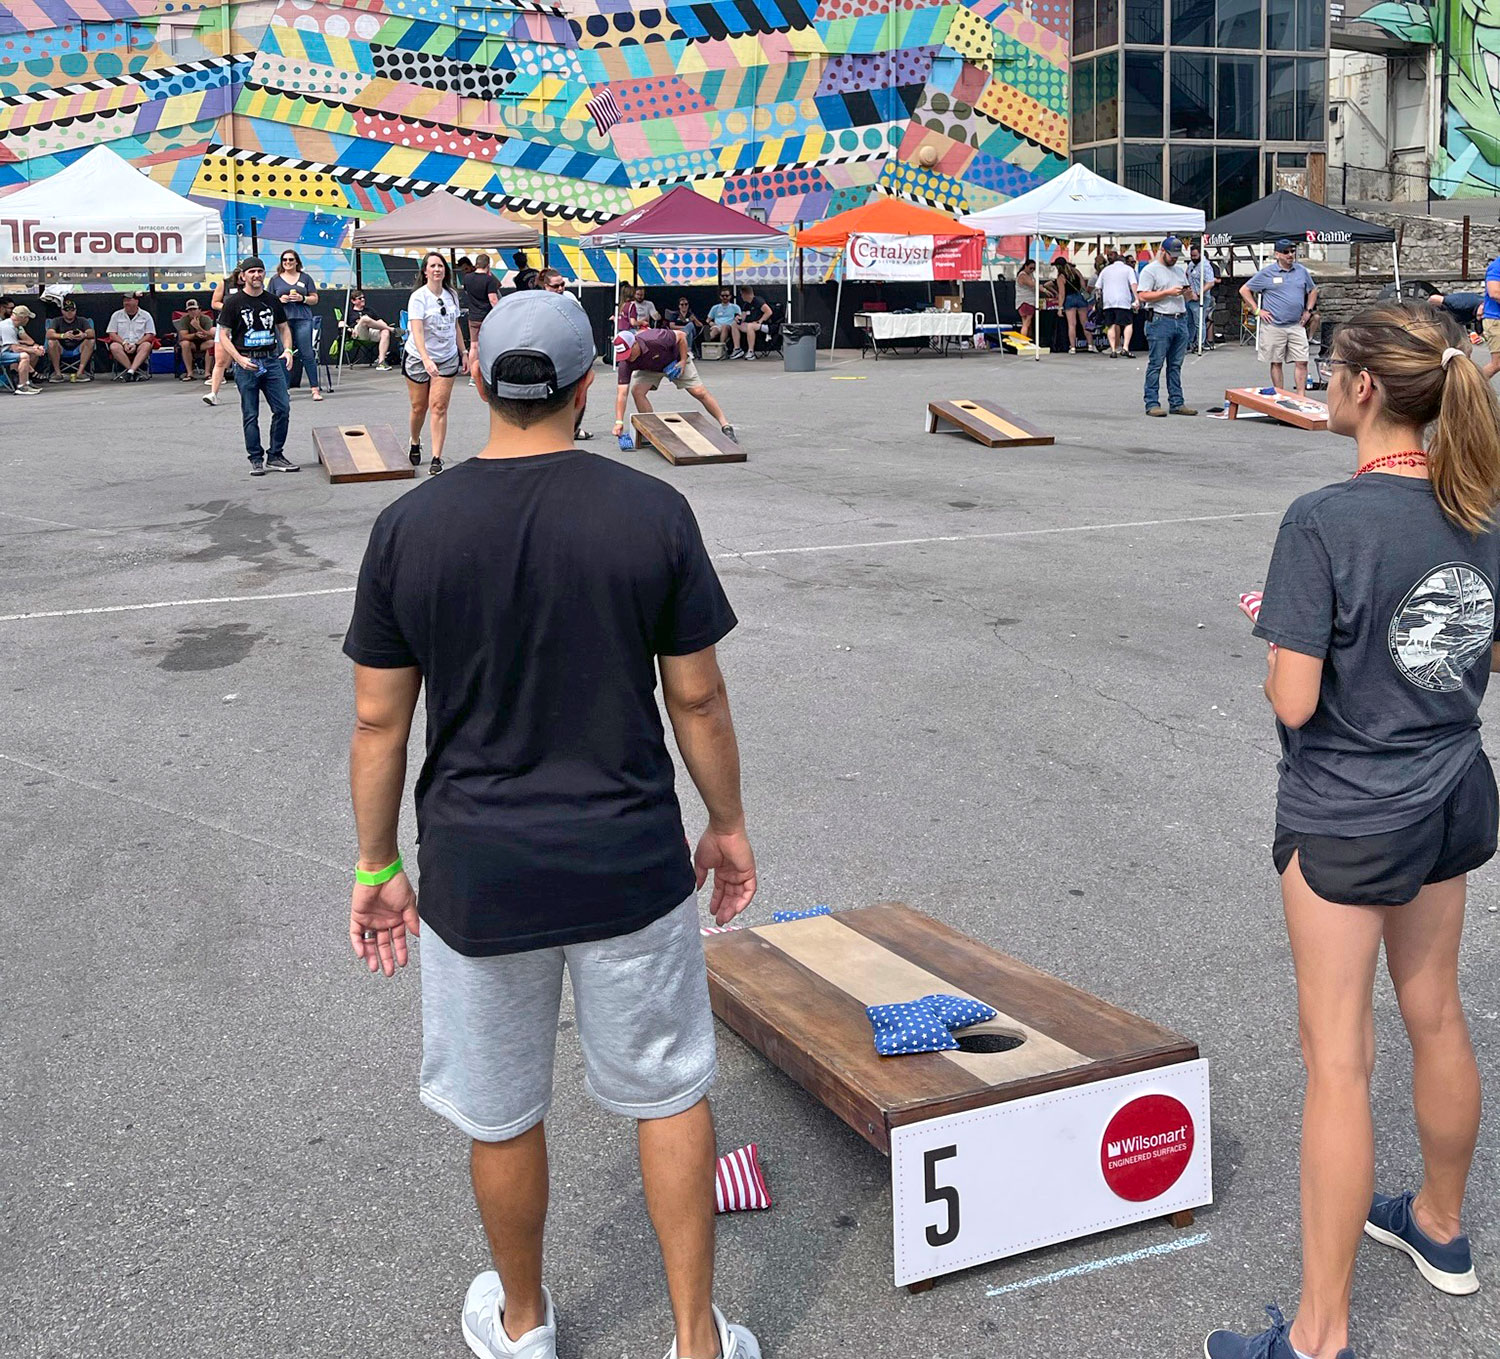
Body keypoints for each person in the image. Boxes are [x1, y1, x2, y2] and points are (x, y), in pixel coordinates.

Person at [343, 287, 759, 1359]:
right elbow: (698, 698)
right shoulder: (650, 513)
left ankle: (524, 1325)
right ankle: (692, 1341)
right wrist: (727, 823)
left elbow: (378, 722)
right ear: (589, 385)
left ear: (475, 374)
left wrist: (375, 862)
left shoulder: (409, 527)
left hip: (480, 872)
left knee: (501, 1110)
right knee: (668, 1093)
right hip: (627, 857)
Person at [1207, 302, 1500, 1359]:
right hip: (1452, 793)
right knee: (1437, 1014)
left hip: (1348, 813)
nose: (1325, 385)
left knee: (1338, 1060)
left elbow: (1294, 701)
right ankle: (1441, 1226)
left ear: (1364, 389)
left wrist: (1276, 628)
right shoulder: (1479, 510)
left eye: (1332, 370)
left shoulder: (1321, 521)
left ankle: (1318, 1335)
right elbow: (1480, 649)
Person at [215, 256, 298, 476]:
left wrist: (287, 350)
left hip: (271, 361)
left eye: (260, 271)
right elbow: (223, 335)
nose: (256, 275)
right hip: (246, 361)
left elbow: (283, 327)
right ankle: (255, 457)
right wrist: (238, 359)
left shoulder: (272, 300)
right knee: (250, 413)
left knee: (282, 409)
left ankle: (275, 454)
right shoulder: (234, 302)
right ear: (243, 276)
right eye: (251, 272)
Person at [613, 327, 735, 448]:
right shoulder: (625, 362)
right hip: (650, 368)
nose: (627, 358)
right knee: (637, 392)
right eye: (623, 355)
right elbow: (622, 394)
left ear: (635, 344)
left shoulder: (656, 338)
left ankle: (726, 425)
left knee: (699, 392)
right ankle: (651, 429)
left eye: (628, 353)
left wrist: (682, 361)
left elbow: (682, 336)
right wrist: (619, 422)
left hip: (675, 360)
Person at [404, 250, 468, 475]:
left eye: (440, 266)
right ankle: (414, 440)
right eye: (432, 266)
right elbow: (417, 330)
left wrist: (464, 352)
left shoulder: (451, 294)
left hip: (447, 357)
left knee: (439, 407)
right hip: (419, 357)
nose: (437, 269)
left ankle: (436, 457)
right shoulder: (419, 297)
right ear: (425, 271)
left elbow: (456, 325)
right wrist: (425, 358)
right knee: (418, 407)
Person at [1240, 237, 1319, 396]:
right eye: (1286, 252)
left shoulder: (1301, 271)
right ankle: (1280, 395)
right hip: (1274, 325)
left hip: (1296, 324)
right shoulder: (1267, 273)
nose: (1290, 255)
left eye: (1292, 251)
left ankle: (1301, 397)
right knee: (1276, 362)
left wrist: (1308, 310)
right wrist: (1257, 310)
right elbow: (1244, 290)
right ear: (1277, 254)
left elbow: (1313, 290)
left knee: (1302, 361)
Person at [1137, 236, 1196, 417]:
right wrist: (1167, 293)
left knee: (1176, 365)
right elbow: (1142, 296)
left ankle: (1177, 402)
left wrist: (1188, 293)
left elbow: (1189, 296)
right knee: (1156, 363)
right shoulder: (1150, 271)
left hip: (1180, 318)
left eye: (1177, 256)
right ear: (1163, 251)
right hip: (1160, 319)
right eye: (1172, 255)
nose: (1175, 259)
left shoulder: (1179, 270)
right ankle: (1152, 402)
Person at [539, 269, 593, 440]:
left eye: (562, 284)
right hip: (551, 354)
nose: (560, 288)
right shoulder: (541, 302)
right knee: (552, 395)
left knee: (578, 392)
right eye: (556, 286)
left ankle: (573, 429)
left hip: (573, 353)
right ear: (545, 286)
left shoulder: (569, 297)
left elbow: (581, 321)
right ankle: (549, 430)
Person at [269, 249, 323, 401]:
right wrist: (280, 300)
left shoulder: (306, 278)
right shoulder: (275, 280)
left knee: (307, 353)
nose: (287, 262)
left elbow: (315, 298)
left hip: (302, 318)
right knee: (284, 353)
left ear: (297, 262)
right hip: (282, 320)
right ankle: (285, 389)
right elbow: (269, 300)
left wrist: (302, 298)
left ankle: (314, 388)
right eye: (284, 260)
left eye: (291, 260)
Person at [203, 267, 243, 406]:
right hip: (226, 322)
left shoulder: (252, 286)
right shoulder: (225, 284)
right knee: (220, 360)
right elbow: (214, 303)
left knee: (243, 357)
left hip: (244, 324)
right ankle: (213, 393)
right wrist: (228, 306)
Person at [105, 293, 156, 381]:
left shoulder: (146, 315)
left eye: (129, 300)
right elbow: (112, 333)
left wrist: (136, 344)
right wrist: (124, 343)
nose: (126, 303)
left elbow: (150, 334)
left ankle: (130, 372)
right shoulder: (116, 315)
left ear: (136, 301)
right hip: (122, 343)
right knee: (114, 346)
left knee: (146, 345)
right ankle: (132, 372)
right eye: (124, 301)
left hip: (139, 343)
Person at [1097, 250, 1138, 358]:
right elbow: (1133, 284)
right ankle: (1125, 347)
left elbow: (1098, 287)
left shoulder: (1105, 270)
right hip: (1123, 300)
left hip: (1108, 302)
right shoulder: (1128, 269)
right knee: (1128, 324)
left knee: (1111, 325)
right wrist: (1137, 299)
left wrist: (1099, 301)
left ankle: (1113, 350)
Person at [46, 298, 94, 381]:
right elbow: (49, 334)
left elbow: (92, 333)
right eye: (67, 310)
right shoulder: (56, 321)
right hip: (61, 348)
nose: (69, 312)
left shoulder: (82, 320)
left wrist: (83, 335)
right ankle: (57, 374)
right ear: (62, 311)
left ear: (75, 310)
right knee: (51, 342)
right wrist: (63, 336)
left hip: (78, 348)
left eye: (72, 310)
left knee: (91, 340)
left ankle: (80, 372)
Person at [462, 253, 501, 352]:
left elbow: (466, 292)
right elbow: (493, 300)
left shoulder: (467, 278)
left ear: (476, 264)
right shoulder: (490, 279)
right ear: (488, 265)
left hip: (473, 317)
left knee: (474, 346)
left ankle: (474, 367)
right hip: (487, 317)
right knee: (490, 344)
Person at [347, 292, 394, 370]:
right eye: (360, 298)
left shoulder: (370, 310)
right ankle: (392, 330)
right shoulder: (349, 312)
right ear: (353, 301)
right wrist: (348, 329)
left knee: (385, 331)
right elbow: (341, 324)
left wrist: (385, 327)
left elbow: (380, 321)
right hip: (358, 333)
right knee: (365, 319)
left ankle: (381, 362)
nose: (363, 299)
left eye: (363, 297)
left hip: (372, 332)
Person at [0, 302, 41, 394]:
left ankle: (25, 383)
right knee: (24, 356)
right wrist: (34, 350)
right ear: (23, 318)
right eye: (27, 317)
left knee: (24, 353)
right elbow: (15, 349)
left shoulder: (11, 325)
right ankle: (22, 386)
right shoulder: (8, 327)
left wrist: (33, 349)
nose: (28, 320)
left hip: (2, 352)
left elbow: (13, 346)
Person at [174, 299, 216, 382]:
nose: (192, 312)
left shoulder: (206, 319)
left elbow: (210, 336)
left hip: (204, 342)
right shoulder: (184, 320)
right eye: (190, 310)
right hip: (191, 343)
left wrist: (198, 327)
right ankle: (190, 373)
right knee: (185, 344)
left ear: (200, 310)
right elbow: (183, 336)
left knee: (212, 343)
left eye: (194, 309)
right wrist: (195, 335)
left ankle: (207, 373)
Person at [1053, 256, 1088, 353]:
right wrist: (1086, 298)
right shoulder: (1076, 271)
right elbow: (1083, 286)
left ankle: (1073, 347)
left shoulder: (1061, 277)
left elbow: (1062, 294)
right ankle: (1091, 345)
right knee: (1085, 323)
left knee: (1072, 324)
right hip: (1080, 297)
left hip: (1069, 299)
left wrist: (1060, 308)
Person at [1186, 243, 1217, 349]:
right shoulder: (1191, 264)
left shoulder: (1205, 265)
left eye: (1195, 256)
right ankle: (1189, 343)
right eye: (1191, 256)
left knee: (1199, 322)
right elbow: (1187, 275)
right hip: (1190, 296)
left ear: (1200, 254)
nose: (1193, 258)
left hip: (1201, 297)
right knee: (1189, 322)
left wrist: (1199, 293)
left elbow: (1210, 282)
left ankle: (1200, 343)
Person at [731, 284, 771, 360]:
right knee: (734, 325)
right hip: (751, 324)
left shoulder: (758, 301)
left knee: (750, 326)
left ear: (745, 294)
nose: (741, 297)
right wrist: (738, 318)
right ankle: (737, 349)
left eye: (741, 294)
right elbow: (742, 317)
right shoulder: (746, 305)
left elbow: (768, 312)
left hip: (764, 325)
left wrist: (760, 321)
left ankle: (751, 351)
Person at [705, 289, 738, 354]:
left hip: (730, 326)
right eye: (723, 296)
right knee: (715, 329)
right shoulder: (715, 307)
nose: (725, 297)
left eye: (726, 295)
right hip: (717, 326)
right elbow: (708, 319)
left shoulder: (735, 307)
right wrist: (711, 323)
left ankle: (721, 347)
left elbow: (739, 318)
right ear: (720, 297)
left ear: (730, 296)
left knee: (724, 327)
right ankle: (708, 339)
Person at [1015, 259, 1040, 339]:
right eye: (1030, 268)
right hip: (1026, 301)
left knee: (1026, 323)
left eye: (1034, 269)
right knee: (1026, 323)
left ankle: (1028, 339)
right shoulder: (1023, 276)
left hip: (1024, 302)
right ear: (1025, 266)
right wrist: (1044, 289)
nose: (1032, 270)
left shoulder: (1029, 275)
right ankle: (1023, 340)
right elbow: (1032, 284)